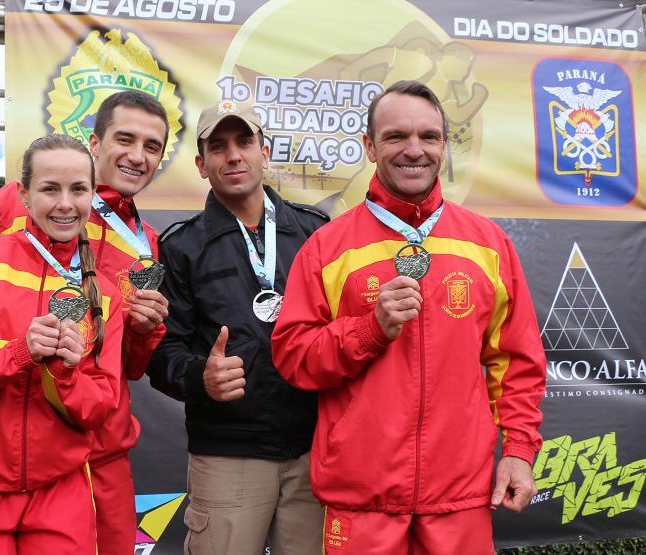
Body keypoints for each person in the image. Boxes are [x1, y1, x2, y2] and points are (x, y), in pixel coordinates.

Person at [271, 80, 546, 554]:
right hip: (363, 501)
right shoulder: (329, 247)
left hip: (460, 499)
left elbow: (516, 363)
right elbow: (294, 357)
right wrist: (369, 329)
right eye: (396, 136)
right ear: (370, 147)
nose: (413, 150)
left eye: (428, 137)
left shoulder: (487, 244)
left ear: (444, 145)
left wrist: (519, 451)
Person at [0, 90, 171, 555]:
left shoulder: (147, 245)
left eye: (152, 146)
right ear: (96, 143)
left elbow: (129, 366)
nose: (137, 156)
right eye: (126, 139)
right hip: (7, 450)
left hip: (101, 449)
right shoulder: (12, 203)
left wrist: (145, 331)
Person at [0, 134, 125, 553]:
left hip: (61, 489)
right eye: (50, 188)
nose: (65, 203)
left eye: (78, 189)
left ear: (91, 196)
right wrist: (17, 353)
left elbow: (101, 404)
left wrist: (65, 375)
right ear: (24, 195)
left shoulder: (104, 292)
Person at [147, 102, 327, 554]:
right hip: (229, 456)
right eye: (218, 146)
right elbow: (162, 351)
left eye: (244, 142)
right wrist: (199, 379)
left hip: (313, 452)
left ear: (264, 153)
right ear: (201, 164)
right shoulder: (181, 247)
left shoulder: (316, 233)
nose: (233, 156)